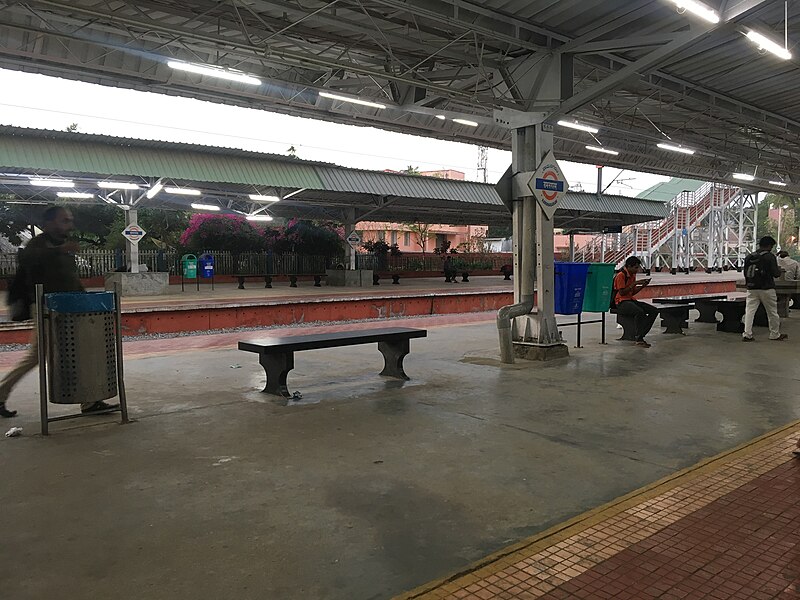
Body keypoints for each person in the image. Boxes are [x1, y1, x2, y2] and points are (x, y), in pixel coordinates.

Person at [0, 206, 118, 418]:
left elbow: (69, 279)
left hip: (69, 308)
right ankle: (0, 393)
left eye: (70, 220)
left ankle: (89, 401)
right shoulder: (39, 244)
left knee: (77, 352)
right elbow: (27, 259)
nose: (69, 225)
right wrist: (59, 252)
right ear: (49, 223)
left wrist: (85, 297)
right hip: (46, 308)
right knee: (38, 355)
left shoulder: (63, 245)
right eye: (64, 220)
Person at [742, 236, 787, 342]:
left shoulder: (750, 256)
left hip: (752, 288)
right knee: (772, 312)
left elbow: (745, 273)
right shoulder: (769, 257)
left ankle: (747, 334)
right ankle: (774, 334)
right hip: (767, 288)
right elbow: (776, 274)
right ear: (769, 246)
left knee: (749, 311)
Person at [613, 256, 659, 348]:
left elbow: (632, 292)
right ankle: (639, 338)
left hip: (630, 300)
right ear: (629, 266)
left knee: (654, 310)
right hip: (621, 302)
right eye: (636, 267)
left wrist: (642, 286)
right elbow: (621, 292)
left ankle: (641, 334)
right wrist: (634, 283)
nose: (637, 270)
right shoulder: (621, 276)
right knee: (639, 312)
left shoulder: (632, 275)